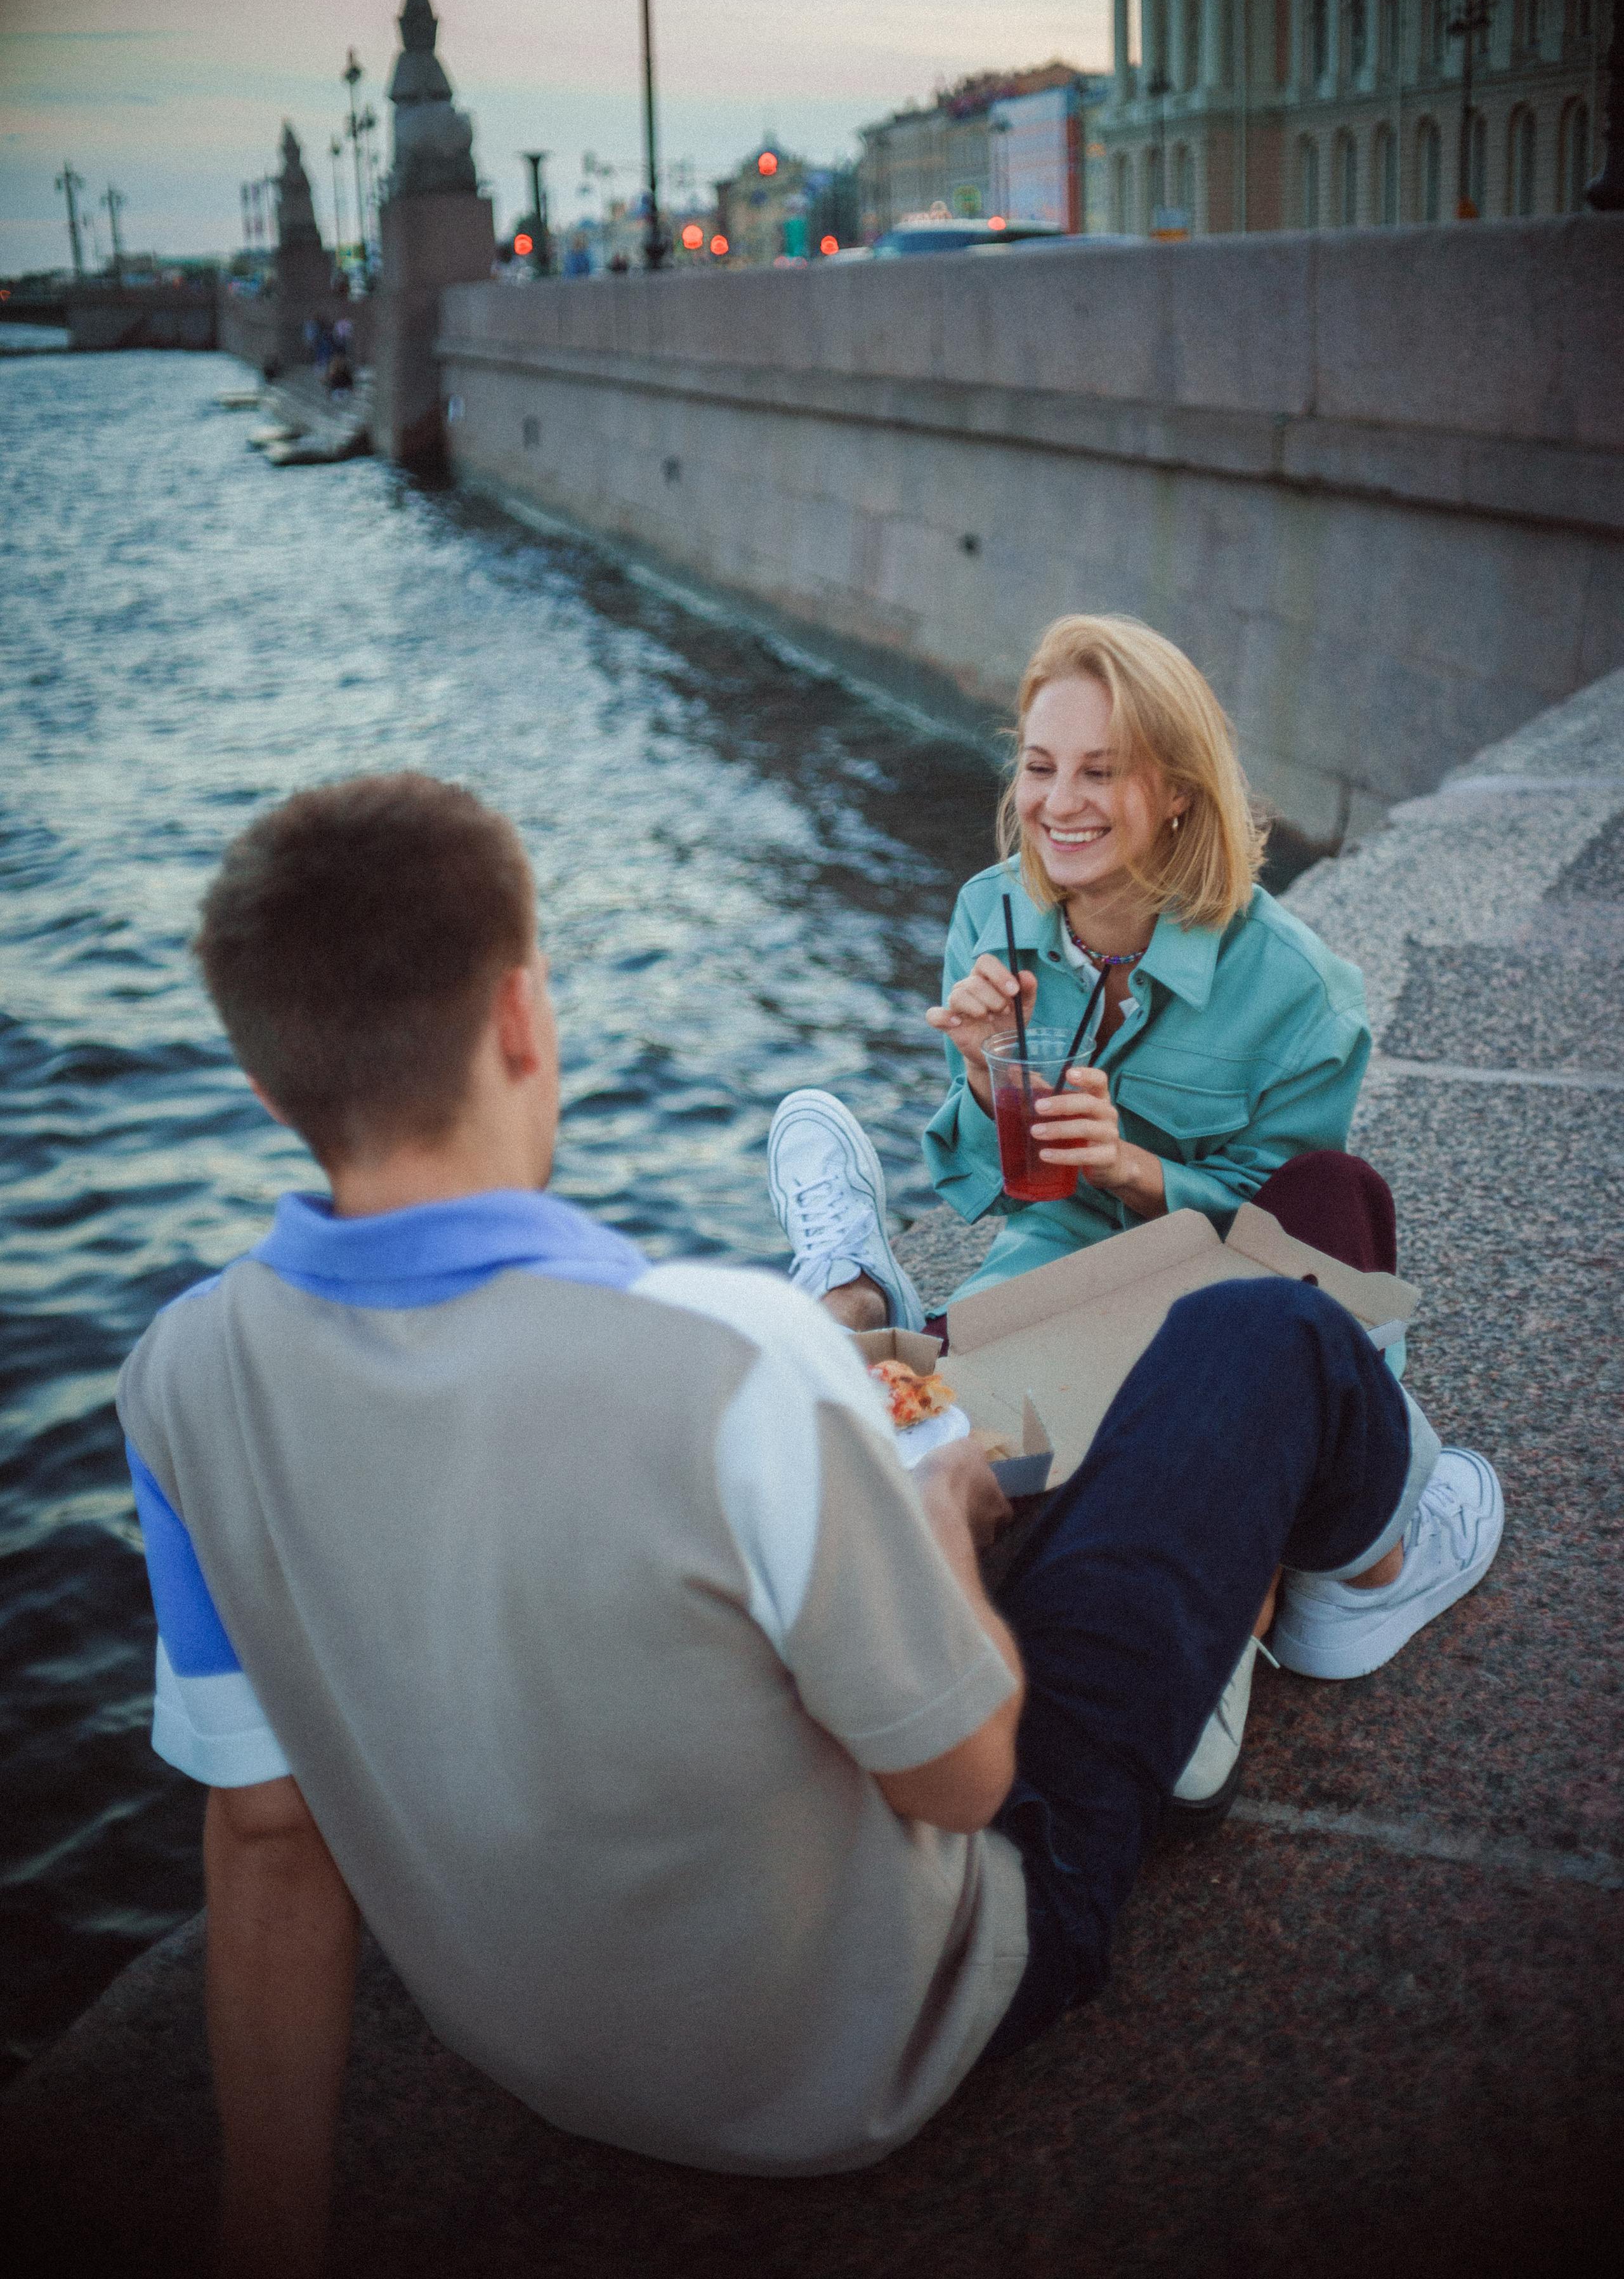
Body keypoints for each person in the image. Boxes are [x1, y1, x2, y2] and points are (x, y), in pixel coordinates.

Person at [117, 773, 1502, 2275]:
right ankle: (1365, 1569)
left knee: (842, 1461)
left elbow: (262, 1831)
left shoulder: (181, 1371)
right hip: (882, 2039)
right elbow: (964, 1779)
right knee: (1255, 1340)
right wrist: (926, 1516)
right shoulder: (719, 1355)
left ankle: (858, 1292)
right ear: (524, 1018)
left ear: (268, 1087)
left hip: (525, 2046)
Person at [768, 614, 1393, 1344]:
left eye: (1099, 772)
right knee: (889, 1407)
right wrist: (983, 1076)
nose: (1058, 804)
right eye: (1039, 767)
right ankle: (862, 1291)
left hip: (1224, 1296)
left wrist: (1129, 1168)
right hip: (1048, 1269)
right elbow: (993, 1196)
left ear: (1180, 792)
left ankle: (874, 1302)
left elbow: (1300, 1231)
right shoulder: (987, 915)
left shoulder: (1302, 992)